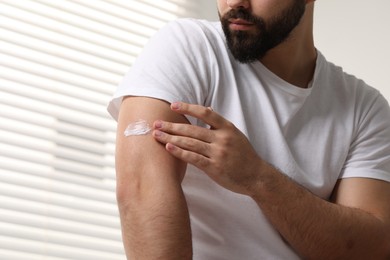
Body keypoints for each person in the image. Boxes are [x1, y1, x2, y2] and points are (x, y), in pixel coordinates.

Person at [108, 0, 390, 259]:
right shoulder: (190, 46)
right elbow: (141, 188)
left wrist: (257, 178)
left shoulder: (364, 108)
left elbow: (371, 247)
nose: (235, 2)